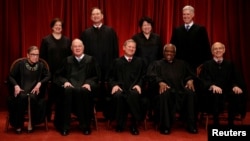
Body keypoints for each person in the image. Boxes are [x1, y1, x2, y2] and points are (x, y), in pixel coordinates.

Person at [148, 44, 198, 135]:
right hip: (165, 92)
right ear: (163, 52)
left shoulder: (182, 64)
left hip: (180, 91)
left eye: (172, 51)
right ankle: (165, 127)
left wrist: (190, 80)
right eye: (167, 51)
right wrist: (160, 82)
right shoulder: (156, 64)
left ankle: (191, 125)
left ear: (175, 53)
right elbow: (151, 76)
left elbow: (190, 74)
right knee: (164, 93)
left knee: (190, 93)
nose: (169, 53)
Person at [54, 38, 100, 136]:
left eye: (79, 46)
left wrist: (88, 83)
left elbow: (96, 76)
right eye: (75, 46)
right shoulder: (67, 60)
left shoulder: (90, 60)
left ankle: (85, 126)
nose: (77, 48)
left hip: (84, 89)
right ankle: (65, 126)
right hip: (70, 89)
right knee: (66, 92)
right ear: (71, 48)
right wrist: (65, 82)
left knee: (84, 91)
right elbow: (58, 75)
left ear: (83, 47)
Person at [80, 7, 119, 113]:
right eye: (93, 14)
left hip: (108, 64)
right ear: (90, 17)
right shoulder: (86, 33)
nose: (96, 16)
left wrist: (114, 64)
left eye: (98, 14)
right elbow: (82, 52)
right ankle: (91, 110)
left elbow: (115, 49)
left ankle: (108, 111)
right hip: (91, 66)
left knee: (107, 87)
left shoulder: (110, 31)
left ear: (102, 16)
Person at [199, 42, 247, 126]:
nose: (218, 50)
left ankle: (231, 122)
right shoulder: (207, 65)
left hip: (227, 90)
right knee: (215, 94)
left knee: (236, 94)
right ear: (212, 52)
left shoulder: (230, 64)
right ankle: (216, 122)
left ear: (224, 50)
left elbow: (235, 78)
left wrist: (235, 86)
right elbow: (203, 80)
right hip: (212, 92)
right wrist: (212, 86)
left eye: (220, 48)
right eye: (215, 49)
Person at [7, 46, 51, 134]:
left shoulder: (41, 65)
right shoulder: (20, 64)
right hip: (21, 89)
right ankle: (18, 125)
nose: (35, 57)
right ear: (28, 55)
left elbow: (48, 76)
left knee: (32, 98)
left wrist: (40, 83)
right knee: (22, 97)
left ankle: (31, 124)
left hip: (35, 91)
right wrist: (16, 86)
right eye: (33, 54)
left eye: (37, 55)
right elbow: (10, 76)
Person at [106, 39, 145, 135]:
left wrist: (139, 85)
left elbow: (144, 76)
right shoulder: (117, 62)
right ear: (124, 48)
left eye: (133, 47)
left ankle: (134, 124)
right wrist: (114, 85)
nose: (131, 49)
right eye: (129, 47)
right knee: (118, 95)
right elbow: (110, 77)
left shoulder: (140, 62)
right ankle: (120, 124)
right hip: (120, 88)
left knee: (133, 94)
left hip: (133, 88)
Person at [40, 18, 71, 121]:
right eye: (56, 25)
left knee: (62, 95)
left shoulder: (67, 40)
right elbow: (42, 58)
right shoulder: (46, 40)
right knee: (49, 96)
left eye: (60, 25)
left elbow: (69, 57)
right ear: (52, 27)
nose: (58, 27)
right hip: (50, 72)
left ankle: (61, 117)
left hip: (63, 73)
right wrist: (45, 72)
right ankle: (46, 116)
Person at [131, 16, 163, 120]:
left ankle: (153, 112)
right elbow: (133, 53)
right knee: (142, 89)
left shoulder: (157, 37)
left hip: (154, 68)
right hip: (141, 67)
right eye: (144, 25)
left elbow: (160, 54)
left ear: (151, 26)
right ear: (141, 27)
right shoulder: (136, 38)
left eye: (148, 25)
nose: (147, 27)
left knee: (154, 89)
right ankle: (141, 112)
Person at [170, 5, 211, 72]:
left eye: (188, 14)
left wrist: (205, 65)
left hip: (196, 65)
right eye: (184, 14)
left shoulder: (200, 29)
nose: (185, 16)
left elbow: (206, 48)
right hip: (180, 66)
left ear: (193, 15)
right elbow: (173, 47)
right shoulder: (177, 30)